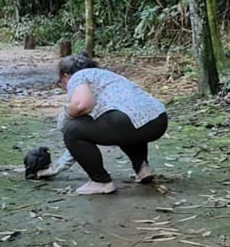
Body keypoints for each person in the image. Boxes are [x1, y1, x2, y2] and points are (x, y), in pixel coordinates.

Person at [39, 53, 169, 195]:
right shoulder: (108, 76)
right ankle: (142, 168)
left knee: (72, 129)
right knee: (120, 124)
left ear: (65, 76)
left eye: (60, 83)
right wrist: (57, 167)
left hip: (127, 120)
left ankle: (100, 181)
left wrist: (66, 114)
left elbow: (82, 105)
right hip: (159, 119)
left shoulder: (78, 77)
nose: (64, 87)